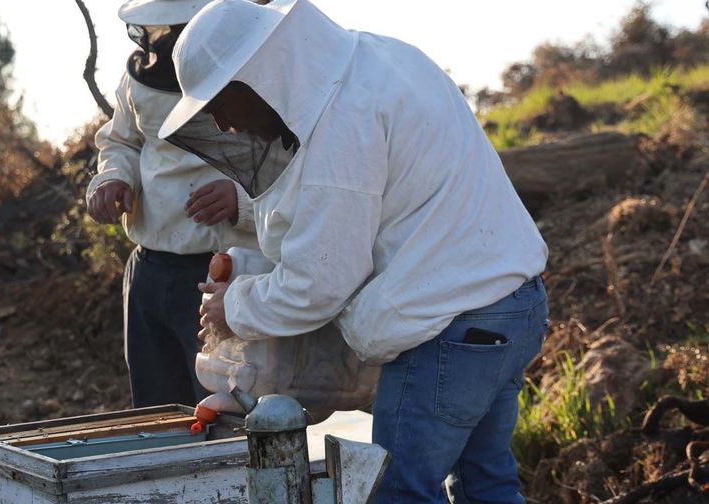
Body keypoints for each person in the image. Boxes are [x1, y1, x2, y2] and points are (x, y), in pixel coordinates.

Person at [158, 0, 549, 502]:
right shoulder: (378, 59)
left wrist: (230, 307)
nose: (223, 125)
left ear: (256, 78)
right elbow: (379, 203)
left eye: (219, 104)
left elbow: (318, 283)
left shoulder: (342, 122)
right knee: (487, 485)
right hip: (512, 306)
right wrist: (250, 220)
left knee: (398, 492)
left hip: (451, 326)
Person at [85, 0, 257, 409]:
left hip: (226, 274)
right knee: (157, 410)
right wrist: (113, 178)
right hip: (148, 269)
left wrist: (242, 201)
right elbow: (122, 140)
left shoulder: (257, 73)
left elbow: (296, 163)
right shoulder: (139, 79)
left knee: (224, 409)